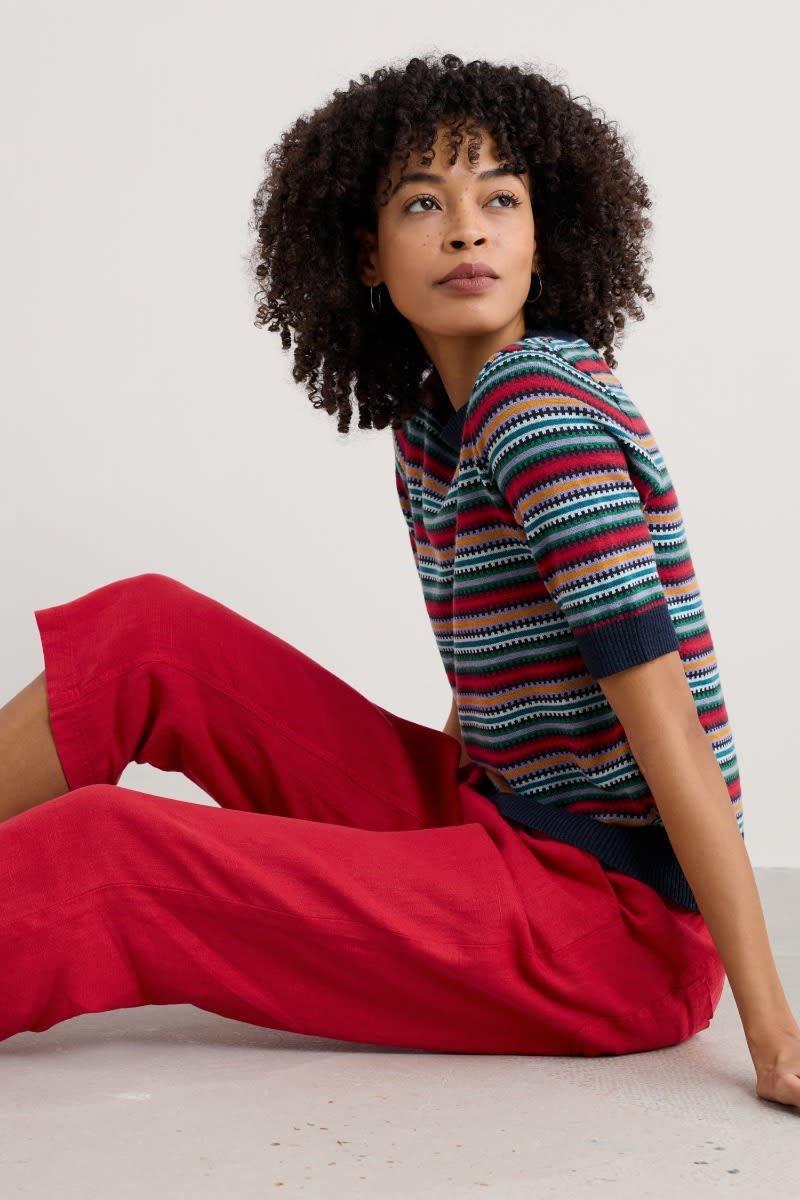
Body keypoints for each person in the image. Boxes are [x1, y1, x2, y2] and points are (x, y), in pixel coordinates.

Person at [1, 52, 798, 1108]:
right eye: (424, 202)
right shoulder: (432, 425)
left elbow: (671, 731)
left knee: (111, 852)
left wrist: (773, 1033)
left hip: (611, 931)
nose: (467, 230)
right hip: (505, 824)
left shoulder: (539, 414)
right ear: (368, 256)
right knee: (148, 637)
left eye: (500, 200)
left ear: (542, 237)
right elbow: (497, 659)